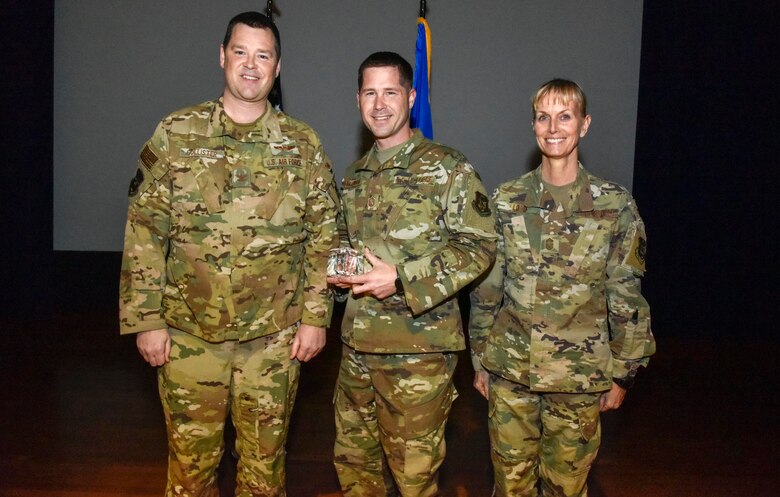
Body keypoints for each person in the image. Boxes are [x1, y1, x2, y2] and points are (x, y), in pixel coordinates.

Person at [119, 11, 339, 496]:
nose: (251, 65)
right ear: (222, 57)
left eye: (264, 56)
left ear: (277, 68)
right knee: (191, 468)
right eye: (241, 52)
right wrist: (146, 320)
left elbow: (326, 233)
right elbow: (145, 230)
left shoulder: (303, 144)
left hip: (274, 340)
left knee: (264, 471)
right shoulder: (176, 133)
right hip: (188, 336)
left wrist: (315, 318)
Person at [469, 78, 656, 497]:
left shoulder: (615, 205)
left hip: (579, 380)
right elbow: (486, 291)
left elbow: (625, 292)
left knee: (567, 488)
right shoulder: (506, 200)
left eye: (565, 116)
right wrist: (480, 359)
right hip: (511, 372)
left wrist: (623, 373)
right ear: (533, 125)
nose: (553, 127)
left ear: (584, 125)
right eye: (543, 117)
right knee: (510, 486)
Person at [328, 51, 498, 497]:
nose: (379, 104)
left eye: (390, 91)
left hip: (418, 355)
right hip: (356, 350)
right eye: (369, 92)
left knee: (414, 478)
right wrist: (337, 276)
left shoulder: (448, 168)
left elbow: (480, 246)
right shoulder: (354, 177)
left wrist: (401, 278)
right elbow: (348, 249)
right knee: (354, 467)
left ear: (411, 96)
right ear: (357, 100)